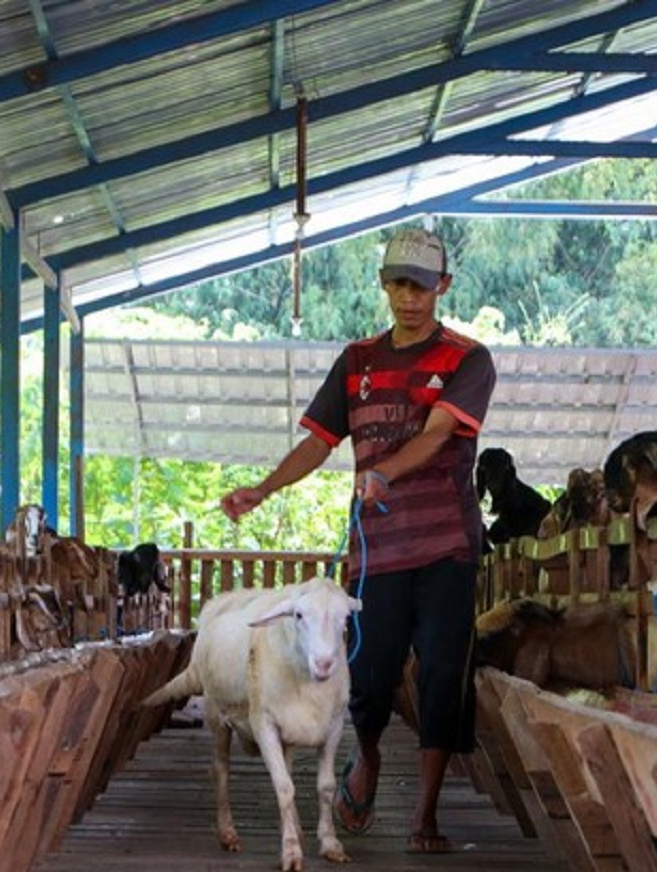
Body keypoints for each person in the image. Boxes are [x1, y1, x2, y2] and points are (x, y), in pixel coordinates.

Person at [220, 227, 496, 855]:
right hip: (377, 548)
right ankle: (366, 757)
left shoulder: (468, 359)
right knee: (367, 674)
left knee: (443, 671)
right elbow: (319, 440)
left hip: (447, 543)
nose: (409, 298)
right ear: (384, 285)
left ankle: (425, 812)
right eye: (398, 284)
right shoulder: (357, 361)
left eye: (421, 287)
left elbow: (435, 436)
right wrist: (261, 491)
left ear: (442, 288)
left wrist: (383, 472)